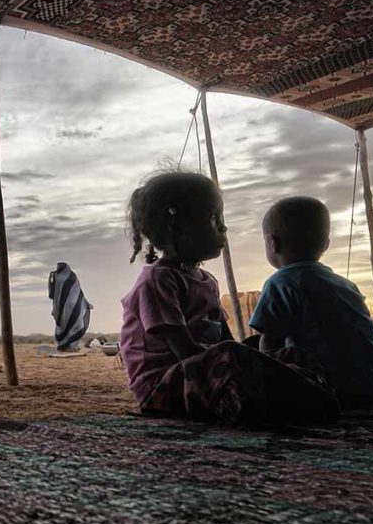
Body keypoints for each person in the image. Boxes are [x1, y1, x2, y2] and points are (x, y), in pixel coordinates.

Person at [119, 172, 339, 425]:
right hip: (163, 388)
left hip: (206, 372)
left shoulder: (207, 281)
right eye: (214, 218)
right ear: (175, 227)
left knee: (272, 349)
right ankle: (303, 397)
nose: (223, 227)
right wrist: (243, 361)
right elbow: (185, 351)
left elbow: (225, 339)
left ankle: (297, 393)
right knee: (233, 356)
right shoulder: (157, 281)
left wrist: (254, 357)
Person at [249, 196, 373, 408]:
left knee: (265, 352)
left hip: (325, 387)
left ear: (272, 243)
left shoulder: (279, 283)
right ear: (326, 244)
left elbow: (269, 342)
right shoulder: (346, 284)